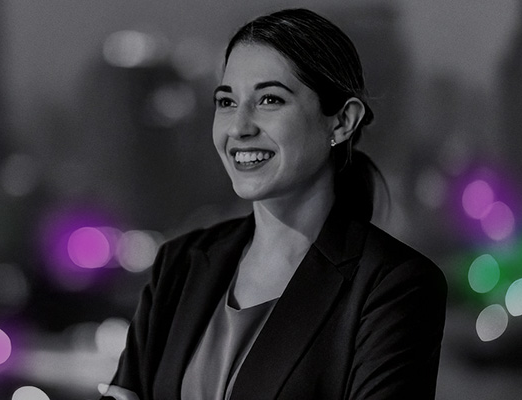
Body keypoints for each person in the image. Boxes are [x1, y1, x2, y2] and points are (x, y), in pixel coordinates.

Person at [101, 8, 446, 400]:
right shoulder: (180, 264)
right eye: (226, 102)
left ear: (342, 121)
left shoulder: (394, 288)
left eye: (269, 99)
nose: (238, 127)